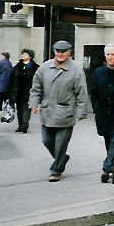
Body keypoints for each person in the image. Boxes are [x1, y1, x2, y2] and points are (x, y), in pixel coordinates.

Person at [30, 40, 88, 182]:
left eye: (63, 52)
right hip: (47, 113)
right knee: (46, 141)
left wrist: (81, 112)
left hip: (66, 114)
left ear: (69, 53)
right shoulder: (44, 67)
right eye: (57, 51)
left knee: (60, 145)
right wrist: (34, 103)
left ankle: (56, 170)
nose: (60, 54)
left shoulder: (76, 70)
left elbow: (82, 93)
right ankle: (62, 158)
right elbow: (36, 88)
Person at [90, 44, 114, 183]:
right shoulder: (98, 72)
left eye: (113, 55)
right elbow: (93, 93)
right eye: (108, 54)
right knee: (108, 139)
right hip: (103, 113)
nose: (110, 57)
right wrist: (97, 109)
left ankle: (107, 167)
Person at [8, 49, 39, 133]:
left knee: (26, 108)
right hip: (18, 91)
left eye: (25, 54)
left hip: (29, 91)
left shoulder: (35, 67)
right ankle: (20, 125)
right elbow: (11, 79)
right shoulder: (17, 66)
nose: (23, 56)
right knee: (19, 109)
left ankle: (25, 125)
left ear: (30, 56)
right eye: (23, 54)